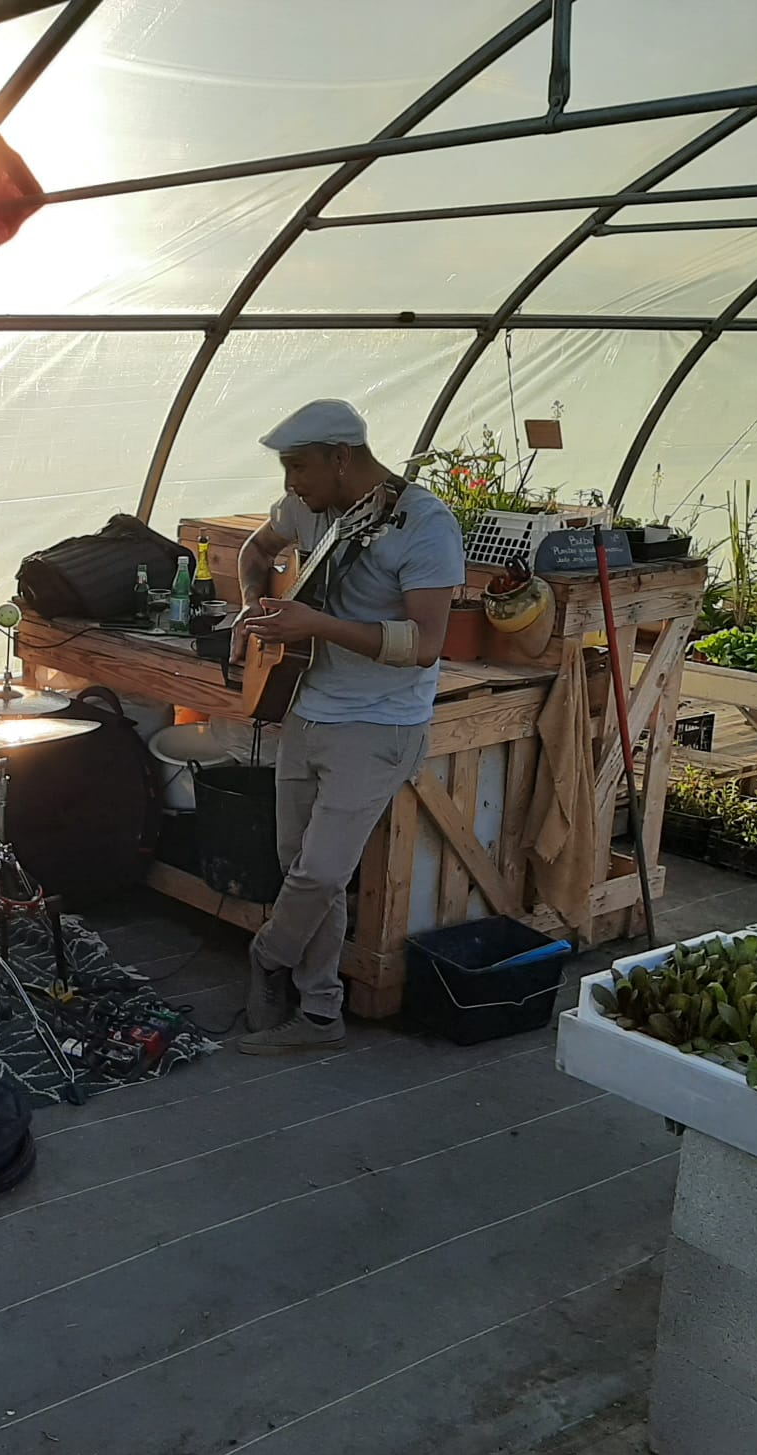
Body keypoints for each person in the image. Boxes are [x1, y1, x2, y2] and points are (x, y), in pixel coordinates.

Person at [231, 399, 464, 1055]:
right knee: (298, 865)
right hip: (306, 707)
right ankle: (320, 1015)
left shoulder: (425, 525)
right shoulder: (306, 506)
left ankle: (266, 957)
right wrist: (257, 608)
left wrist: (318, 627)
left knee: (321, 874)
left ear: (342, 457)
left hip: (381, 723)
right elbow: (257, 549)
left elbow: (426, 643)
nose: (289, 485)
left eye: (299, 467)